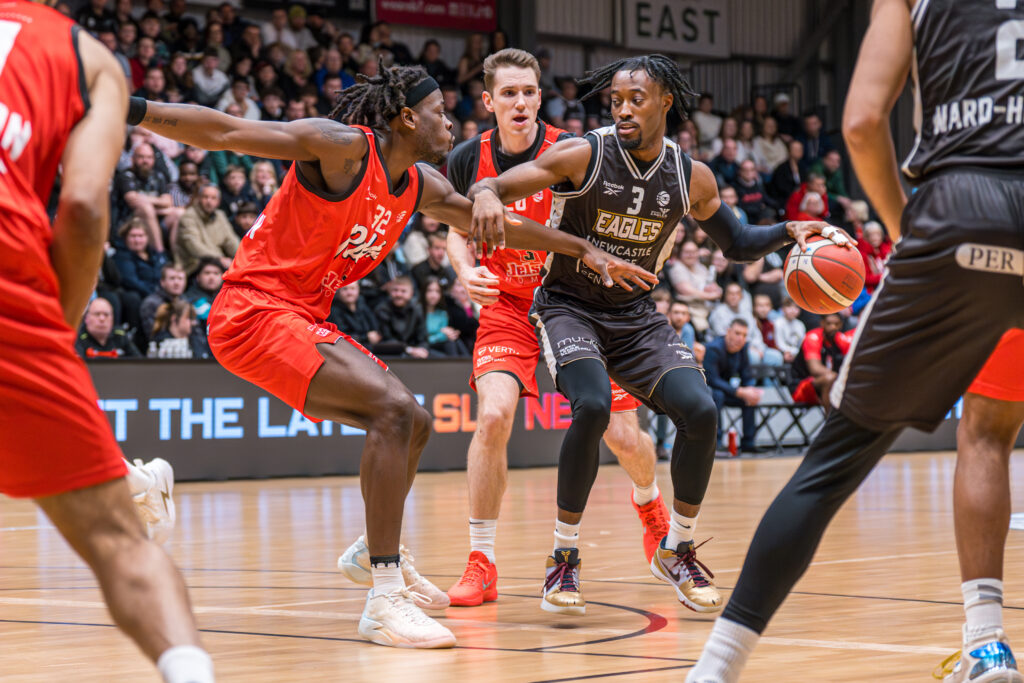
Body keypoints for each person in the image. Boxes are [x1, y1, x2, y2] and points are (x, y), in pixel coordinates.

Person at [131, 60, 652, 648]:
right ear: (407, 117)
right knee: (395, 412)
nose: (451, 124)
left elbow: (499, 226)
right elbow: (225, 131)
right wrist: (132, 110)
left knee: (416, 424)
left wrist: (581, 248)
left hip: (302, 315)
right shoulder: (344, 148)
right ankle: (383, 597)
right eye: (439, 112)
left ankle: (368, 551)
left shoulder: (421, 185)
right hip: (253, 310)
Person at [687, 2, 1024, 678]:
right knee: (993, 425)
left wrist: (908, 236)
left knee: (834, 463)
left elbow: (864, 122)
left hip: (958, 210)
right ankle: (984, 638)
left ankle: (715, 669)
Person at [467, 53, 849, 616]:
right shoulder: (582, 152)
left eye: (635, 100)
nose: (622, 110)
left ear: (665, 102)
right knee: (594, 408)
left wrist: (788, 232)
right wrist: (482, 194)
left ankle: (679, 545)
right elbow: (495, 184)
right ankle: (563, 558)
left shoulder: (690, 175)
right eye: (615, 101)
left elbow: (738, 242)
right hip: (569, 307)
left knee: (701, 411)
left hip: (637, 316)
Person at [0, 5, 211, 681]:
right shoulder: (90, 58)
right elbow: (86, 207)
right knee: (121, 542)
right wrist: (54, 336)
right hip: (10, 283)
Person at [442, 48, 669, 606]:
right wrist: (466, 269)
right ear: (489, 101)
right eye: (509, 93)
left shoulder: (574, 150)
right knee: (493, 415)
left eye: (529, 92)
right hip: (508, 305)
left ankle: (651, 507)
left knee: (622, 436)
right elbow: (453, 227)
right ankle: (482, 561)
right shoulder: (469, 158)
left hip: (576, 303)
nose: (520, 102)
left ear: (540, 97)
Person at [703, 319, 761, 452]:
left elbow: (747, 375)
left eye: (744, 335)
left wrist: (749, 390)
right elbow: (712, 380)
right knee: (717, 395)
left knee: (749, 398)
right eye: (737, 333)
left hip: (728, 390)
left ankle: (748, 443)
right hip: (708, 390)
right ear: (728, 332)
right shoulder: (713, 348)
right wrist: (739, 391)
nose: (741, 338)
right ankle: (716, 442)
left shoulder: (743, 348)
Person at [788, 312, 850, 407]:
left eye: (836, 324)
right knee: (830, 379)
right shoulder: (812, 337)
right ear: (822, 323)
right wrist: (840, 378)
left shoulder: (840, 339)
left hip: (831, 384)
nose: (833, 327)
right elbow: (815, 369)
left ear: (841, 325)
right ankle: (831, 420)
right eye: (829, 323)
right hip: (801, 387)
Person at [175, 184, 238, 275]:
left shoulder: (220, 215)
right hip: (193, 266)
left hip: (216, 264)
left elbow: (231, 240)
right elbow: (194, 247)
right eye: (205, 197)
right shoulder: (188, 216)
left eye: (213, 198)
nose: (209, 201)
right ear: (199, 198)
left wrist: (242, 256)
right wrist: (219, 258)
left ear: (218, 202)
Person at [75, 296, 142, 359]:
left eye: (106, 315)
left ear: (112, 319)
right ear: (86, 318)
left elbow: (139, 363)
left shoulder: (119, 335)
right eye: (97, 314)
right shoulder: (78, 338)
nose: (102, 319)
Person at [185, 257, 224, 324]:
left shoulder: (228, 296)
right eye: (207, 273)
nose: (212, 277)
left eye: (216, 273)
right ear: (198, 277)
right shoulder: (190, 297)